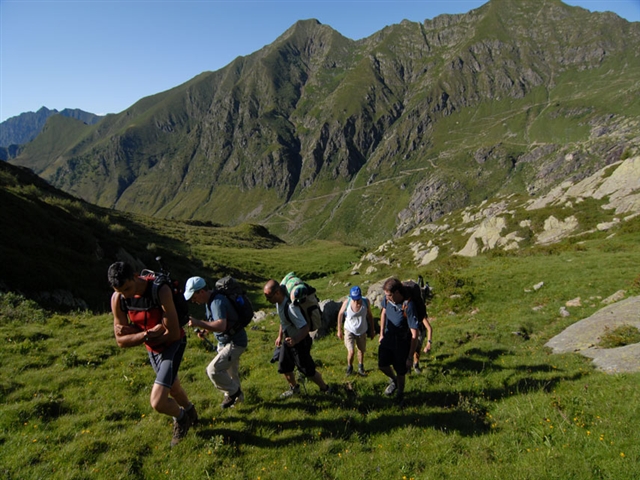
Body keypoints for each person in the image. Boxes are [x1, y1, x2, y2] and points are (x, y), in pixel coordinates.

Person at [107, 261, 196, 447]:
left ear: (135, 275)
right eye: (121, 291)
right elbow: (120, 342)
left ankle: (181, 419)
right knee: (172, 386)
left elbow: (171, 333)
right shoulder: (118, 299)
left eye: (128, 288)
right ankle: (190, 411)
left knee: (157, 402)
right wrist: (147, 334)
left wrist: (135, 333)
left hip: (173, 345)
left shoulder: (160, 291)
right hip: (152, 348)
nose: (126, 295)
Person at [185, 276, 248, 409]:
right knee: (231, 374)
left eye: (194, 297)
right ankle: (239, 404)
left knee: (213, 370)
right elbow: (216, 320)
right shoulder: (210, 300)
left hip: (235, 343)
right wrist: (205, 330)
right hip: (227, 341)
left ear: (201, 291)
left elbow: (221, 325)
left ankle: (234, 393)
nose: (193, 301)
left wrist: (197, 322)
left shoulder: (217, 302)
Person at [263, 279, 331, 398]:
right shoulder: (279, 303)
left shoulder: (291, 308)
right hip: (288, 340)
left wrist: (295, 340)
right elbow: (283, 321)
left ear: (277, 292)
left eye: (269, 297)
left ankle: (325, 388)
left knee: (307, 370)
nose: (267, 300)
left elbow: (305, 327)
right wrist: (280, 336)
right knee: (284, 366)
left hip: (300, 342)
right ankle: (294, 388)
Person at [378, 277, 419, 405]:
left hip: (402, 342)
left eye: (389, 295)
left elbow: (414, 333)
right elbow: (383, 313)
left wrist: (410, 356)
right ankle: (394, 380)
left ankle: (400, 393)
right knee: (382, 364)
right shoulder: (387, 300)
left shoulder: (408, 306)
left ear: (397, 293)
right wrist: (381, 333)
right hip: (388, 337)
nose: (387, 297)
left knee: (401, 370)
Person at [337, 286, 375, 376]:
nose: (356, 301)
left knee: (361, 350)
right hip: (349, 329)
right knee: (351, 351)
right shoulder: (347, 302)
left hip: (362, 330)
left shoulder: (365, 302)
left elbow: (370, 316)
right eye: (354, 299)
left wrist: (372, 330)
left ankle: (361, 367)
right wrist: (339, 330)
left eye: (357, 299)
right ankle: (349, 368)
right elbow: (340, 314)